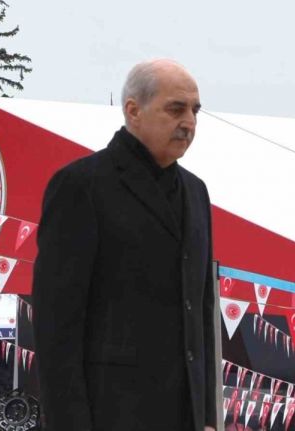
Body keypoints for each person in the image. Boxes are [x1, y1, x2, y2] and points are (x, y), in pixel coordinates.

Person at [33, 59, 217, 431]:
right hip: (112, 415)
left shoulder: (196, 193)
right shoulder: (81, 186)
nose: (189, 123)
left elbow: (201, 315)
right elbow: (57, 328)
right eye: (176, 109)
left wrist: (208, 418)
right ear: (133, 110)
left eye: (195, 111)